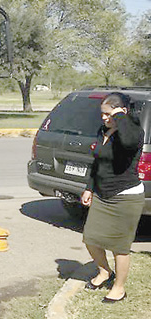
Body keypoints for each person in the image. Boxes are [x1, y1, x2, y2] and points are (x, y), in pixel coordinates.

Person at [81, 92, 144, 303]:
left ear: (121, 112)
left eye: (108, 114)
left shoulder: (134, 131)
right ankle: (104, 272)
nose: (104, 118)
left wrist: (119, 117)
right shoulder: (103, 130)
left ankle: (119, 288)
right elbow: (97, 162)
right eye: (102, 114)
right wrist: (89, 188)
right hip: (102, 194)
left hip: (126, 197)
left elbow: (127, 142)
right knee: (90, 238)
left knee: (120, 247)